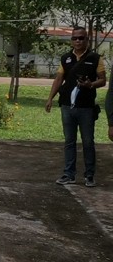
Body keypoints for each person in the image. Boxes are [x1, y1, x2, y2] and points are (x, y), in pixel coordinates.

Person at [45, 27, 106, 187]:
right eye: (75, 38)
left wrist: (90, 84)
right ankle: (68, 174)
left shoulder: (95, 58)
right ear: (71, 40)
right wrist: (50, 98)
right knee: (69, 141)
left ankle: (89, 175)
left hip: (86, 108)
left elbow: (103, 80)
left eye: (81, 38)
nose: (77, 41)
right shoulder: (66, 58)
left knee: (87, 142)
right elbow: (58, 79)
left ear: (87, 40)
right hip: (67, 106)